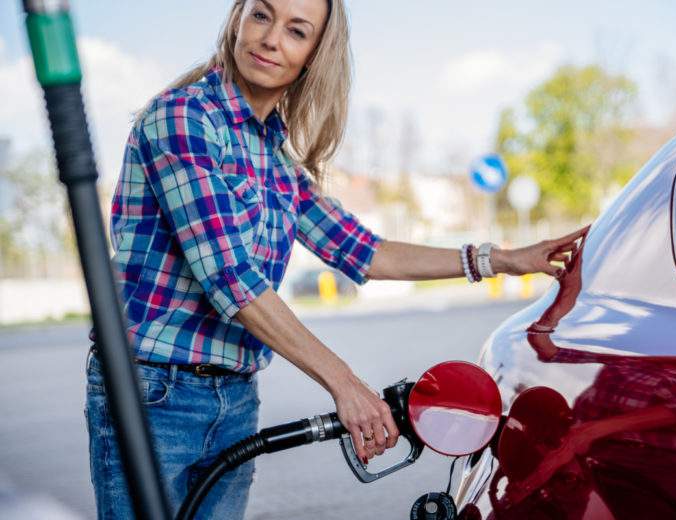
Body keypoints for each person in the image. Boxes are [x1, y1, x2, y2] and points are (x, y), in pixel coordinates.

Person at [84, 0, 587, 517]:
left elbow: (364, 252)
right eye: (261, 15)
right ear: (237, 19)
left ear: (313, 57)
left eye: (296, 31)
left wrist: (498, 259)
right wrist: (346, 386)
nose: (271, 38)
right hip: (153, 392)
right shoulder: (183, 118)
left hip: (233, 396)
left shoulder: (273, 156)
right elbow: (231, 279)